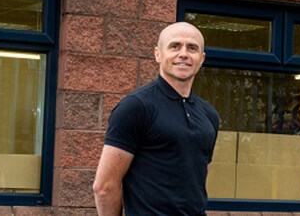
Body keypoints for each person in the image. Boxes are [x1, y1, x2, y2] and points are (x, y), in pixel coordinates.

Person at [93, 22, 219, 215]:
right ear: (158, 54)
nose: (183, 54)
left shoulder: (209, 115)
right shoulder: (136, 107)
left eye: (192, 48)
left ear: (201, 59)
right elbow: (104, 186)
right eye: (174, 46)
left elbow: (199, 175)